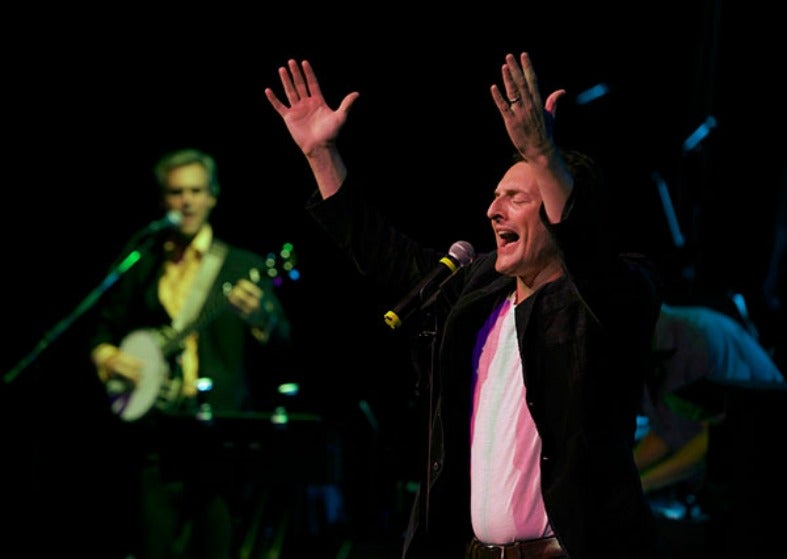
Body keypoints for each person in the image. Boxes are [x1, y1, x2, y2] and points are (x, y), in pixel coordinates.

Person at [265, 53, 667, 558]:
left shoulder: (614, 297)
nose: (493, 209)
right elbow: (383, 253)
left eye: (516, 198)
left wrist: (544, 155)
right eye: (496, 195)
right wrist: (321, 155)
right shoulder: (480, 292)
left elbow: (590, 259)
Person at [87, 148, 293, 559]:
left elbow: (284, 347)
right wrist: (109, 359)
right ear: (163, 200)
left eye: (196, 190)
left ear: (213, 196)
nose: (186, 201)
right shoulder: (141, 263)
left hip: (219, 435)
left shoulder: (241, 266)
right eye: (177, 192)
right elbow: (103, 330)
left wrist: (263, 318)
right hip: (153, 432)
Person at [636, 302, 785, 557]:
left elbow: (710, 444)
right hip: (731, 465)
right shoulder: (655, 342)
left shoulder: (690, 339)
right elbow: (669, 433)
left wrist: (638, 485)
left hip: (760, 469)